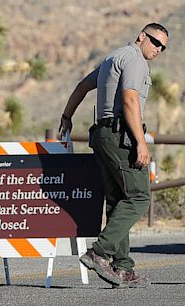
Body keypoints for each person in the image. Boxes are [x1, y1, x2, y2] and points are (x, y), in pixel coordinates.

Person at [59, 23, 169, 288]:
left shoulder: (112, 58)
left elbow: (82, 86)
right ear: (142, 36)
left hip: (101, 135)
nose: (158, 49)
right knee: (140, 197)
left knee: (117, 200)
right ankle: (100, 252)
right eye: (155, 42)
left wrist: (66, 116)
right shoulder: (134, 60)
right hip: (121, 136)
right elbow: (130, 100)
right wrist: (141, 143)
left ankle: (122, 268)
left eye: (163, 47)